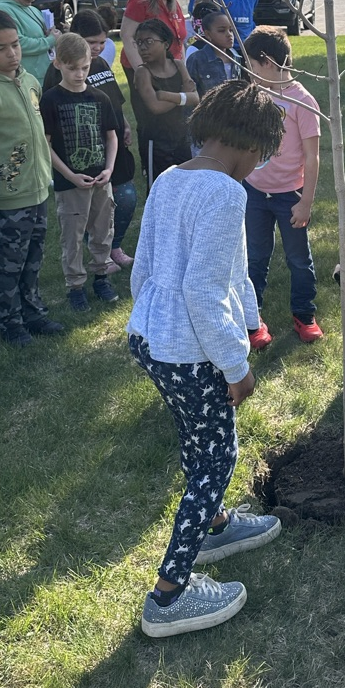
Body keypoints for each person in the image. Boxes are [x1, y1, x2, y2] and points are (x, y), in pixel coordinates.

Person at [127, 79, 285, 638]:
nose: (259, 166)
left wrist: (250, 319)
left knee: (197, 437)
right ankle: (169, 594)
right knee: (217, 457)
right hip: (188, 350)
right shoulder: (226, 193)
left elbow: (148, 268)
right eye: (262, 155)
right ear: (247, 145)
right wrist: (235, 365)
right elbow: (201, 291)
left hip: (149, 338)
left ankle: (214, 525)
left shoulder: (172, 177)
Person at [0, 9, 63, 347]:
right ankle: (10, 323)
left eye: (15, 45)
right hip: (5, 197)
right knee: (7, 265)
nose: (12, 53)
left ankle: (33, 312)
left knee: (32, 260)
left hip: (37, 190)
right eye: (0, 48)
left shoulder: (30, 81)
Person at [242, 26, 322, 344]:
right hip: (254, 192)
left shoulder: (302, 101)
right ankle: (252, 318)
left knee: (298, 259)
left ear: (269, 62)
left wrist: (306, 202)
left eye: (251, 66)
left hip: (291, 194)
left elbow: (313, 158)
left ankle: (304, 314)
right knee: (255, 257)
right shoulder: (254, 95)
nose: (248, 73)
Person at [43, 9, 137, 273]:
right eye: (91, 42)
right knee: (83, 213)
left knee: (125, 197)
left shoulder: (102, 65)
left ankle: (111, 249)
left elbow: (113, 101)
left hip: (111, 147)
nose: (96, 48)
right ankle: (87, 261)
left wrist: (125, 124)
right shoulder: (59, 78)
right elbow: (52, 122)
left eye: (102, 42)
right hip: (79, 154)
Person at [40, 33, 119, 312]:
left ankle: (100, 276)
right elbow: (45, 145)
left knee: (102, 229)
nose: (79, 73)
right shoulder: (50, 100)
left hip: (100, 179)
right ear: (58, 63)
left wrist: (109, 168)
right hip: (70, 183)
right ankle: (75, 284)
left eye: (84, 67)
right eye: (73, 68)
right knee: (72, 235)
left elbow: (111, 136)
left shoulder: (99, 97)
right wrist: (69, 175)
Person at [132, 19, 199, 189]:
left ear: (165, 43)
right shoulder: (143, 72)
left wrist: (167, 95)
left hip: (181, 136)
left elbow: (196, 98)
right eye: (138, 43)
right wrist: (183, 94)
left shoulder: (178, 65)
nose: (142, 47)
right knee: (159, 188)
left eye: (148, 41)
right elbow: (155, 107)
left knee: (184, 185)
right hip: (155, 141)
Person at [119, 0, 192, 116]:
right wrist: (143, 71)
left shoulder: (174, 4)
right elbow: (127, 36)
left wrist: (181, 69)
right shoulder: (140, 0)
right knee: (151, 114)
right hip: (146, 66)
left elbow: (179, 39)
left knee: (175, 112)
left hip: (168, 67)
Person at [0, 0, 58, 84]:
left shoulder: (32, 9)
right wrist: (50, 40)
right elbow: (18, 43)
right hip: (25, 80)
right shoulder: (2, 9)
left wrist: (50, 34)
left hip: (45, 76)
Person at [186, 11, 242, 97]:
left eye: (231, 30)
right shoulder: (197, 59)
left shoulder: (236, 57)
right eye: (222, 31)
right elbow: (191, 93)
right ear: (208, 34)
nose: (229, 35)